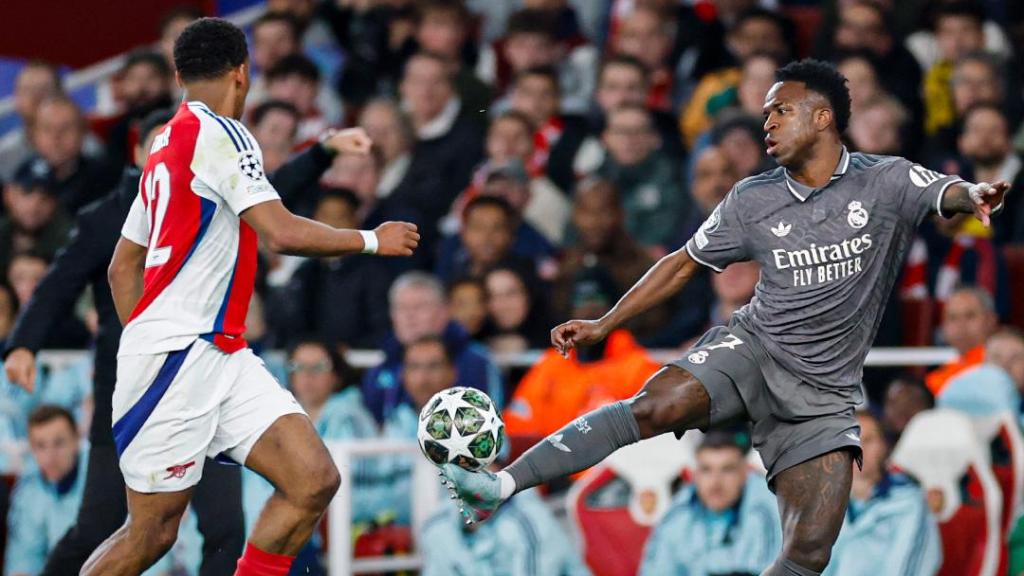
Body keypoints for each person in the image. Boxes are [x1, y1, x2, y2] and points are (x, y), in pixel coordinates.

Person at [441, 58, 1009, 576]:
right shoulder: (751, 198)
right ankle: (501, 483)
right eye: (765, 114)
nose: (768, 124)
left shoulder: (883, 181)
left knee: (809, 552)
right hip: (753, 350)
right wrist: (605, 324)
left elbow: (946, 191)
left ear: (823, 116)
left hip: (825, 393)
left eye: (781, 111)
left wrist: (975, 193)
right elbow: (682, 263)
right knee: (653, 405)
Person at [73, 18, 418, 576]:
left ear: (181, 74)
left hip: (221, 354)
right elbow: (280, 231)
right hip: (176, 357)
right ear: (243, 72)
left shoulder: (166, 144)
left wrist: (149, 331)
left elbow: (122, 268)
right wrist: (373, 239)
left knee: (312, 480)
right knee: (152, 533)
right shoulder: (224, 134)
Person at [505, 266, 658, 439]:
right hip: (553, 463)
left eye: (597, 300)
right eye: (581, 301)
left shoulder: (638, 367)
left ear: (614, 309)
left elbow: (653, 436)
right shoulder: (550, 364)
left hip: (612, 464)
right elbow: (518, 429)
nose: (588, 310)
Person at [362, 271, 502, 424]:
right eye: (401, 307)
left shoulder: (476, 363)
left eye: (420, 307)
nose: (409, 316)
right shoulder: (381, 366)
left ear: (444, 312)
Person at [640, 430, 782, 576]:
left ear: (745, 472)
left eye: (727, 469)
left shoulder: (772, 512)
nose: (715, 483)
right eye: (706, 469)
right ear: (696, 473)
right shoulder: (677, 519)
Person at [823, 411, 941, 576]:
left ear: (884, 446)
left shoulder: (908, 503)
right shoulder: (821, 503)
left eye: (868, 440)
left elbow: (906, 568)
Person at [925, 286, 998, 395]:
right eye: (952, 318)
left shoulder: (1002, 367)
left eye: (970, 316)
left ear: (990, 320)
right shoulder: (935, 379)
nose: (961, 325)